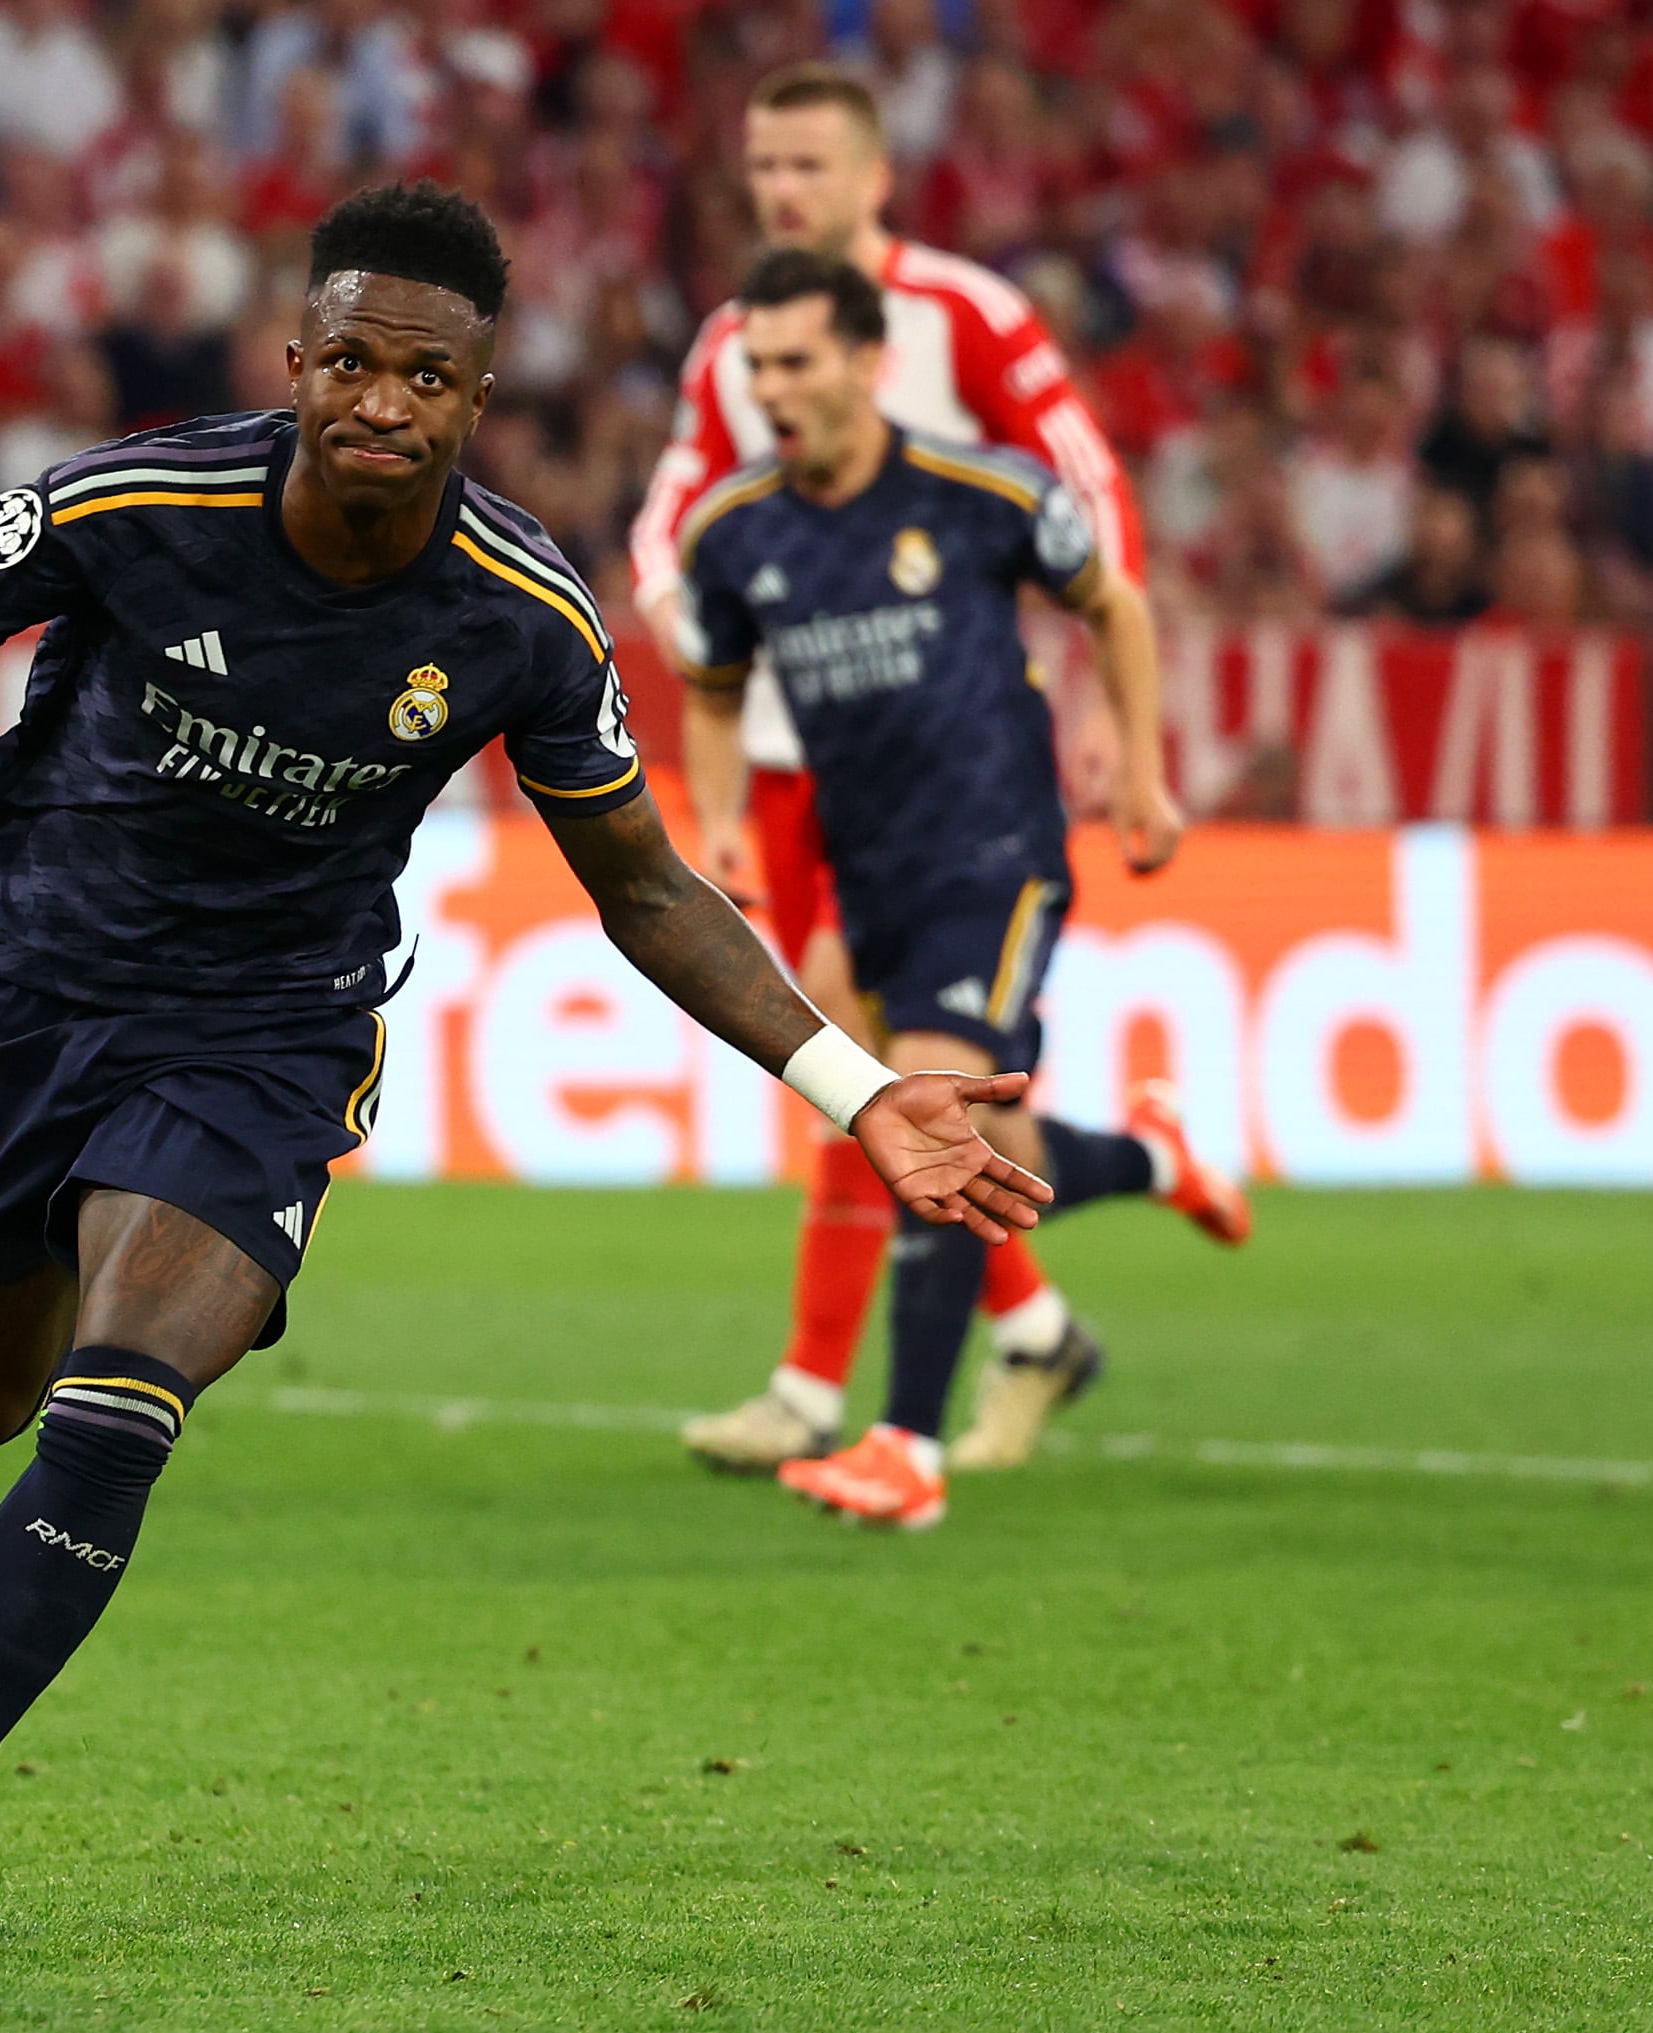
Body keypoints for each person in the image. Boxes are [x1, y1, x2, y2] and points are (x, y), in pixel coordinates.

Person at [0, 184, 1052, 1958]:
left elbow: (641, 885)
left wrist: (854, 1088)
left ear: (476, 400)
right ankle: (40, 1325)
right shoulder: (128, 501)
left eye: (428, 375)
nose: (383, 400)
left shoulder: (522, 612)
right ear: (296, 361)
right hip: (31, 994)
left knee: (110, 1409)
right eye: (354, 361)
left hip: (265, 1033)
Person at [628, 62, 1148, 1478]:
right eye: (761, 166)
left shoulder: (963, 316)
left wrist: (1106, 698)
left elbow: (1081, 495)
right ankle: (1020, 1325)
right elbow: (676, 515)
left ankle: (840, 1397)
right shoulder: (739, 342)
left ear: (873, 178)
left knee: (877, 1072)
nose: (779, 190)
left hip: (942, 760)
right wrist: (697, 644)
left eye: (805, 165)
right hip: (799, 749)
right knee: (865, 1071)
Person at [676, 250, 1246, 1532]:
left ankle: (904, 1446)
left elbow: (1115, 603)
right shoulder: (735, 536)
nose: (769, 386)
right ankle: (1159, 1157)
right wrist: (715, 815)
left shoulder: (984, 494)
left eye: (795, 360)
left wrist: (1141, 772)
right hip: (868, 876)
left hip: (994, 858)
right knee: (970, 1145)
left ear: (871, 361)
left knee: (922, 1113)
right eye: (754, 364)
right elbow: (712, 690)